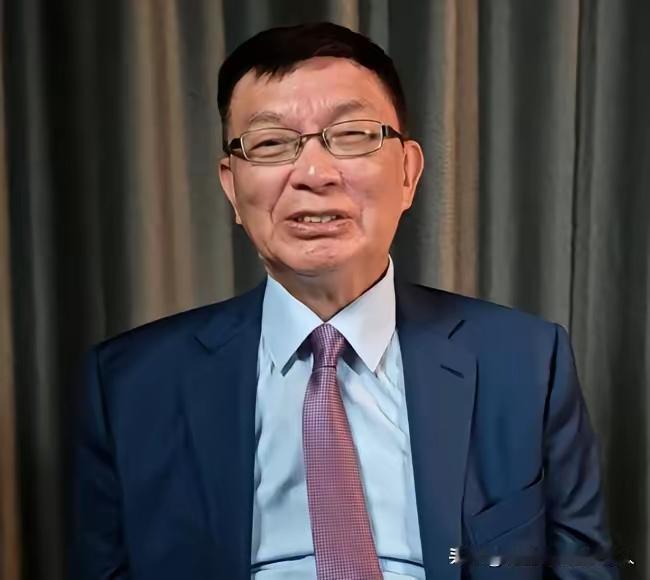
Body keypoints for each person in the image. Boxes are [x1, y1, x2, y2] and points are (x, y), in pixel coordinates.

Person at [69, 22, 618, 580]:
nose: (314, 174)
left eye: (352, 135)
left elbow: (583, 568)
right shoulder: (129, 386)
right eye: (271, 143)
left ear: (407, 174)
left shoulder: (526, 362)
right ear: (232, 187)